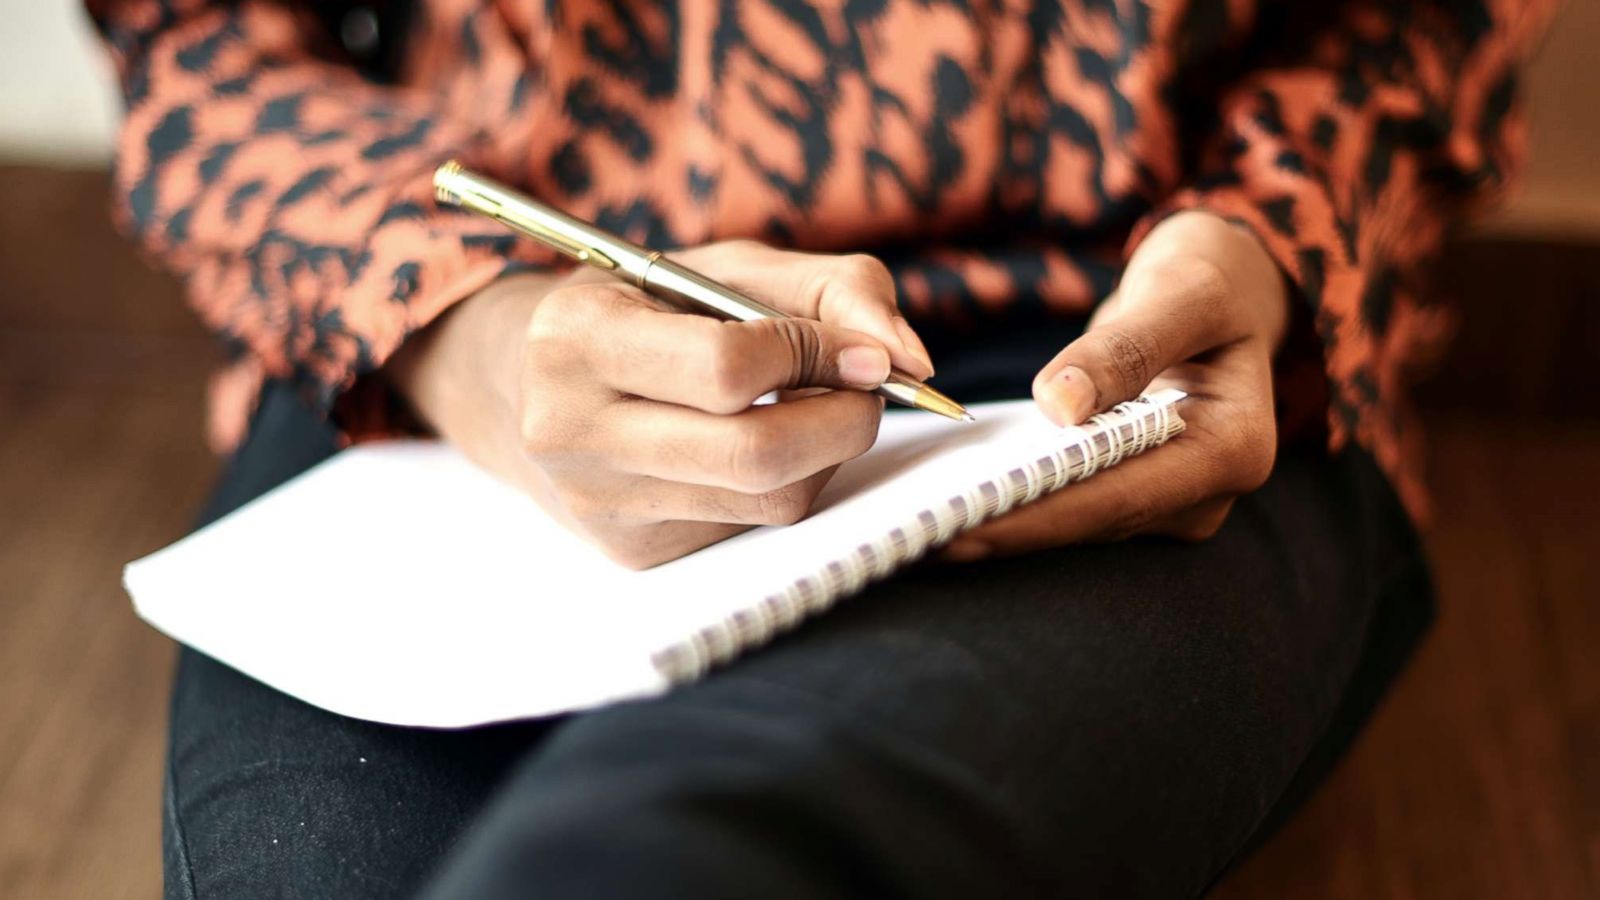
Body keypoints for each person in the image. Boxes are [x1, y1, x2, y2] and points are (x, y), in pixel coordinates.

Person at [85, 0, 1551, 897]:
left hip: (1108, 333)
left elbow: (1425, 21)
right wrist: (454, 320)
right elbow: (194, 30)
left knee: (707, 854)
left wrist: (1278, 227)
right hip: (439, 344)